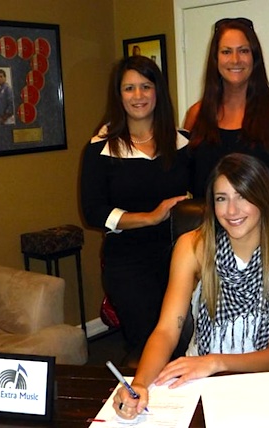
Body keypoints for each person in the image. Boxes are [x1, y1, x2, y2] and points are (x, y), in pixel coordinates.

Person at [111, 153, 269, 419]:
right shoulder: (193, 246)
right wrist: (139, 384)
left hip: (263, 382)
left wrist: (215, 362)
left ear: (263, 199)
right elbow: (168, 330)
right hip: (197, 379)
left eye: (243, 196)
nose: (231, 211)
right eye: (221, 198)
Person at [80, 55, 191, 362]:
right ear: (119, 95)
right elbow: (93, 212)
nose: (138, 95)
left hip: (179, 259)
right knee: (147, 345)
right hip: (128, 264)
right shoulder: (100, 148)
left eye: (146, 86)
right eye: (129, 88)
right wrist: (150, 217)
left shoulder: (183, 143)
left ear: (158, 92)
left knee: (183, 343)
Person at [182, 17, 269, 198]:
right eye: (226, 52)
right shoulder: (197, 114)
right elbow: (181, 178)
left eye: (243, 51)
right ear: (215, 59)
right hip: (205, 225)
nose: (235, 60)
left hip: (262, 225)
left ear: (254, 57)